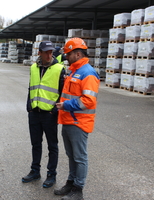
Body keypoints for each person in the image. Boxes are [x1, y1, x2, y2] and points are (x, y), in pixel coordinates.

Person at [54, 38, 100, 200]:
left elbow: (88, 100)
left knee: (80, 157)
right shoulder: (74, 71)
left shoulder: (88, 73)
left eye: (68, 54)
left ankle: (78, 190)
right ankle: (71, 183)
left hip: (79, 122)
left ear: (78, 53)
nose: (66, 56)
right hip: (68, 121)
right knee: (71, 155)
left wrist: (66, 106)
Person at [22, 41, 65, 188]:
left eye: (51, 51)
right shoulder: (34, 67)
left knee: (52, 146)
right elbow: (31, 87)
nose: (49, 54)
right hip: (34, 112)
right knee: (36, 144)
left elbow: (63, 92)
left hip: (49, 114)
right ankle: (35, 171)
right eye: (46, 52)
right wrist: (29, 105)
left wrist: (55, 110)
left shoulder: (59, 69)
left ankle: (51, 175)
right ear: (39, 52)